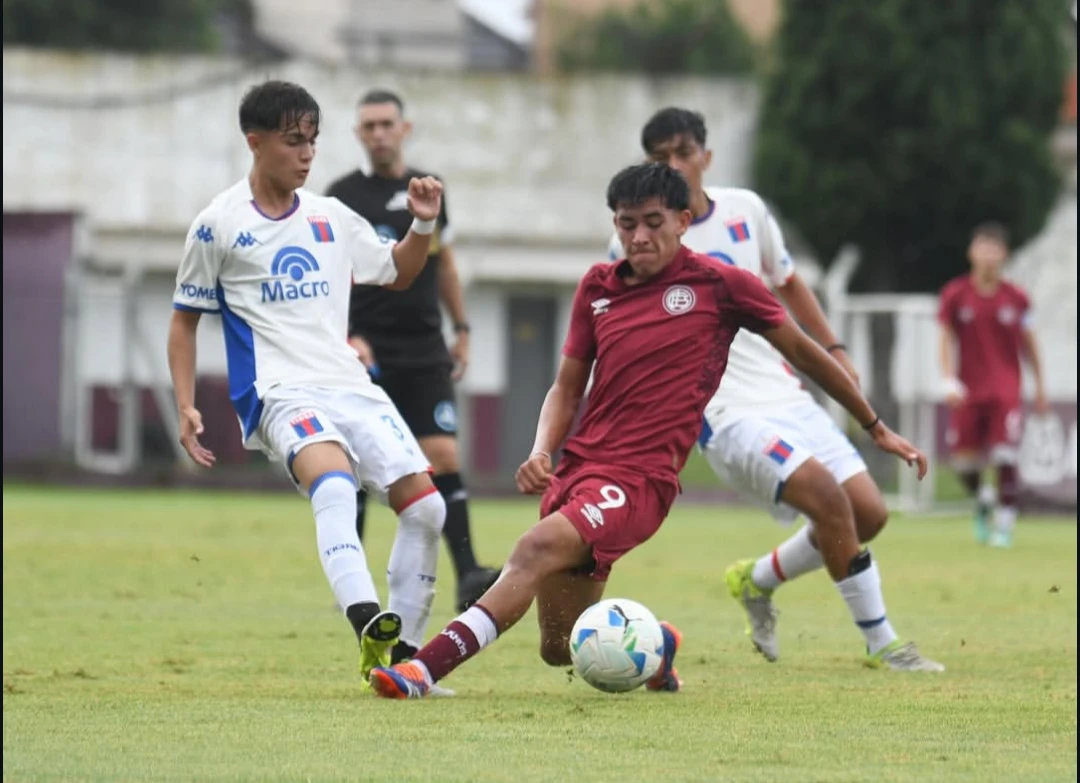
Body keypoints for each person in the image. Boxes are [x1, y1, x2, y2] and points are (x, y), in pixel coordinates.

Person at [367, 162, 928, 699]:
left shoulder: (722, 285)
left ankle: (422, 669)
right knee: (561, 648)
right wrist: (542, 449)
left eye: (653, 222)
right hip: (579, 470)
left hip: (640, 480)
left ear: (684, 223)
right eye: (626, 223)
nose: (638, 236)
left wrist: (874, 424)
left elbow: (804, 352)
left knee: (533, 549)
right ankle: (658, 648)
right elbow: (566, 386)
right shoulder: (597, 286)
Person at [618, 107, 944, 671]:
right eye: (659, 156)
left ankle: (757, 578)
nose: (673, 165)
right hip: (723, 412)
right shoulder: (638, 243)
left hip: (785, 393)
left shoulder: (746, 210)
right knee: (826, 498)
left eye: (682, 152)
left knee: (867, 513)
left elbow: (788, 283)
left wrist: (836, 350)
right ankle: (884, 644)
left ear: (706, 157)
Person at [167, 80, 449, 691]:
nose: (307, 153)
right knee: (337, 488)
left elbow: (398, 272)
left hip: (349, 384)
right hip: (277, 393)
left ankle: (410, 662)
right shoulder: (217, 225)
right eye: (294, 141)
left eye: (313, 141)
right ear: (256, 141)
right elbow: (183, 321)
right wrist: (186, 403)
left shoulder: (331, 218)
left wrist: (421, 225)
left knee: (428, 508)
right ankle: (368, 623)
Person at [326, 89, 501, 616]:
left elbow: (442, 262)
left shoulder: (424, 189)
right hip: (366, 348)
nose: (378, 133)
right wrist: (343, 336)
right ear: (359, 134)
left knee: (442, 456)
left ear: (405, 128)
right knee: (357, 461)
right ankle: (352, 580)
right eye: (369, 125)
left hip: (424, 346)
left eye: (387, 124)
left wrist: (463, 327)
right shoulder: (341, 195)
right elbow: (331, 273)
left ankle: (469, 571)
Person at [938, 223, 1048, 548]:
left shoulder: (1016, 298)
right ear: (971, 253)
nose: (988, 255)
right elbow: (944, 339)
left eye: (994, 249)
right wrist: (948, 379)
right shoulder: (956, 295)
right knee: (964, 463)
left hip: (1005, 391)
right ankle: (984, 498)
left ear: (1004, 254)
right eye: (982, 248)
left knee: (1004, 455)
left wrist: (1040, 387)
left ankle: (1005, 524)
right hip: (968, 391)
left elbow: (1030, 344)